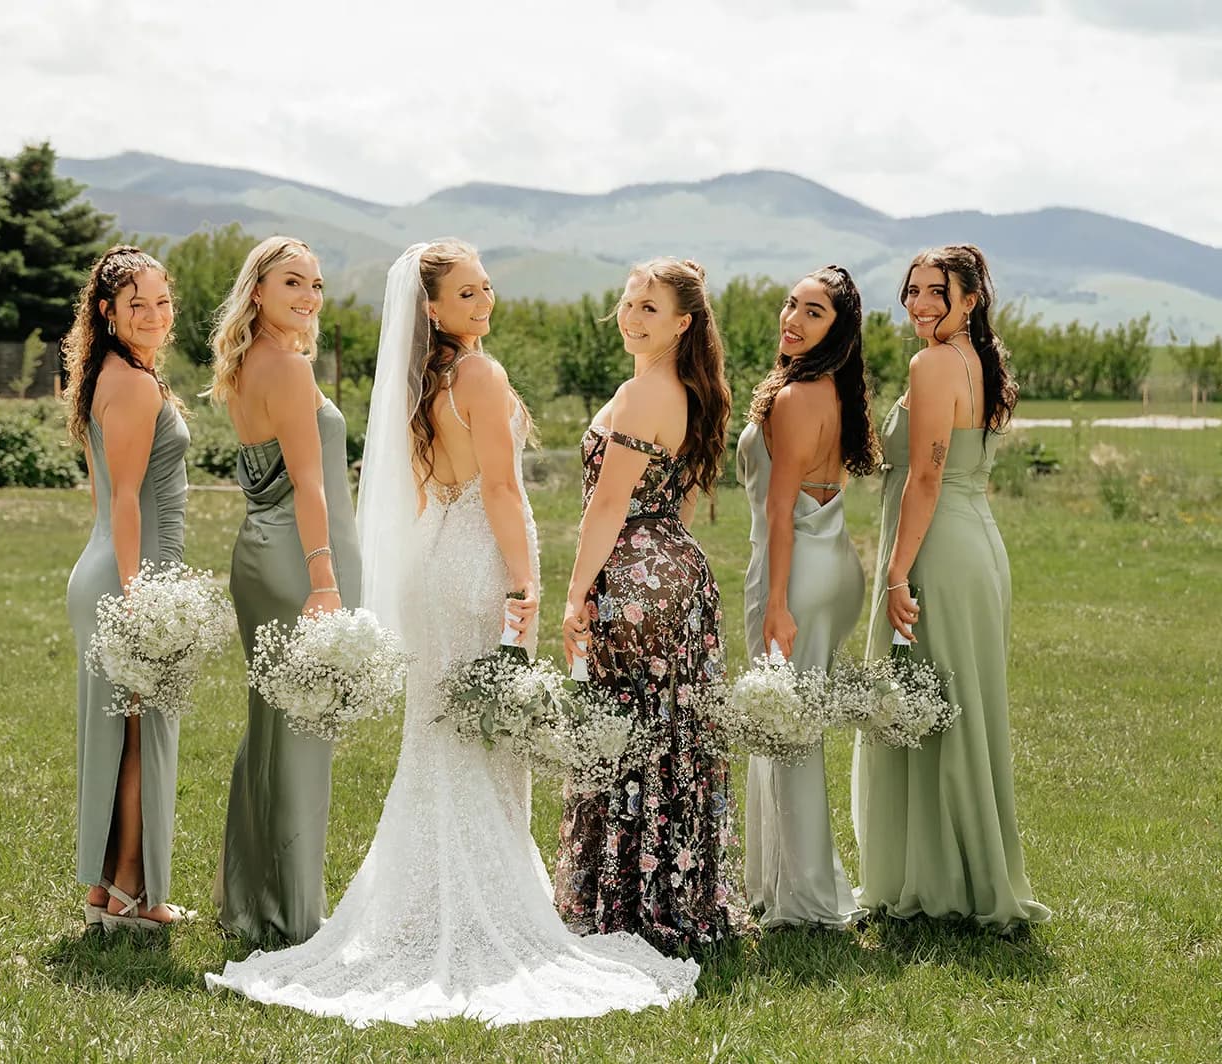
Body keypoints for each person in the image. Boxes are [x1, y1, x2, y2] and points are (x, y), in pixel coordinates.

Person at [206, 241, 698, 1026]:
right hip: (477, 565)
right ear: (430, 308)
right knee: (482, 740)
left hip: (434, 566)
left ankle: (420, 907)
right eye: (466, 293)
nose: (484, 301)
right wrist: (522, 583)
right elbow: (500, 487)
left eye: (487, 288)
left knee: (438, 736)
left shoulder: (422, 380)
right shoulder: (479, 374)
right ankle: (478, 909)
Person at [852, 244, 1051, 931]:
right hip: (977, 543)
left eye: (938, 292)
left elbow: (927, 477)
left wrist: (898, 572)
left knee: (927, 709)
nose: (921, 303)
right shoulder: (980, 360)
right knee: (953, 710)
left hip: (937, 551)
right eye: (912, 291)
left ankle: (937, 882)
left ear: (970, 299)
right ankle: (959, 873)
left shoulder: (934, 362)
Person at [554, 257, 736, 955]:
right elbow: (681, 501)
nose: (632, 317)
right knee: (668, 737)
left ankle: (626, 902)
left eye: (650, 309)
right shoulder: (687, 389)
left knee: (630, 736)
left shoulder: (641, 394)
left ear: (682, 323)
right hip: (678, 570)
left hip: (635, 579)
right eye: (628, 303)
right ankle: (670, 894)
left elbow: (606, 506)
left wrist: (577, 592)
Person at [204, 237, 363, 945]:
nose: (308, 296)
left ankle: (252, 900)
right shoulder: (291, 368)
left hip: (259, 552)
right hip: (300, 561)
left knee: (271, 728)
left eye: (316, 284)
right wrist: (325, 579)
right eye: (292, 282)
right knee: (301, 734)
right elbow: (308, 483)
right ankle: (293, 917)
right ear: (258, 290)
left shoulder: (244, 363)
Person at [738, 265, 879, 929]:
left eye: (813, 312)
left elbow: (780, 508)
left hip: (798, 572)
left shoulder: (798, 398)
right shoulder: (827, 390)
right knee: (788, 727)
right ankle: (777, 881)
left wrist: (776, 603)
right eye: (792, 305)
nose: (792, 319)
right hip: (832, 562)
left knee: (788, 731)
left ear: (840, 332)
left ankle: (810, 898)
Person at [63, 245, 193, 931]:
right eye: (136, 304)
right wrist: (142, 593)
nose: (153, 315)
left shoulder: (108, 375)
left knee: (121, 734)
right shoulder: (135, 385)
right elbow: (125, 501)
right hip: (129, 576)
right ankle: (133, 896)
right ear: (109, 313)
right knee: (144, 735)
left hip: (108, 568)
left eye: (162, 302)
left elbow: (103, 491)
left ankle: (105, 891)